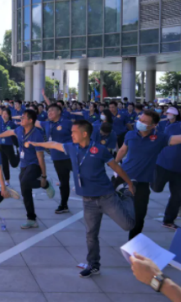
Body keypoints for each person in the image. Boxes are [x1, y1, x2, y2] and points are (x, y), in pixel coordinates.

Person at [28, 120, 135, 278]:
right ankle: (93, 265)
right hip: (88, 201)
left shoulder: (99, 149)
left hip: (106, 197)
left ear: (84, 134)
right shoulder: (72, 147)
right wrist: (36, 143)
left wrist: (129, 184)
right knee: (91, 234)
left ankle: (125, 196)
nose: (71, 134)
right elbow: (54, 144)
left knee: (128, 225)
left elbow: (116, 167)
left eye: (74, 132)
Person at [115, 109, 181, 239]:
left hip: (142, 182)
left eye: (145, 121)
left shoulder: (159, 138)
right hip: (124, 177)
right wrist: (114, 164)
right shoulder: (130, 135)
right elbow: (123, 150)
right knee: (107, 205)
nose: (140, 123)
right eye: (140, 119)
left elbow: (176, 139)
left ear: (154, 125)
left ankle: (133, 242)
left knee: (140, 216)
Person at [0, 110, 55, 229]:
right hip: (24, 165)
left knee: (24, 181)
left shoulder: (36, 135)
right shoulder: (19, 130)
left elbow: (40, 157)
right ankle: (31, 219)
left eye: (23, 118)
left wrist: (43, 176)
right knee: (25, 191)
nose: (21, 119)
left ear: (30, 120)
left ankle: (46, 184)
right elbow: (10, 132)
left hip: (34, 165)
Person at [34, 103, 73, 214]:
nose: (49, 113)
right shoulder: (47, 124)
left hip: (70, 157)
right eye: (48, 111)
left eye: (52, 110)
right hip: (57, 158)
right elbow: (33, 121)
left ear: (59, 112)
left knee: (83, 178)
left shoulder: (68, 123)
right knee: (63, 182)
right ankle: (64, 204)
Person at [154, 106, 181, 229]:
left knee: (177, 195)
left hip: (178, 169)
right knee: (156, 188)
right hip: (163, 164)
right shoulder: (171, 126)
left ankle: (168, 220)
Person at [0, 107, 19, 186]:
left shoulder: (12, 124)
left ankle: (18, 155)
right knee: (4, 164)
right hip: (1, 145)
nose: (4, 115)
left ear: (9, 115)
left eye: (6, 114)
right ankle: (7, 180)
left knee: (13, 164)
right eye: (3, 114)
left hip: (9, 146)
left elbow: (17, 132)